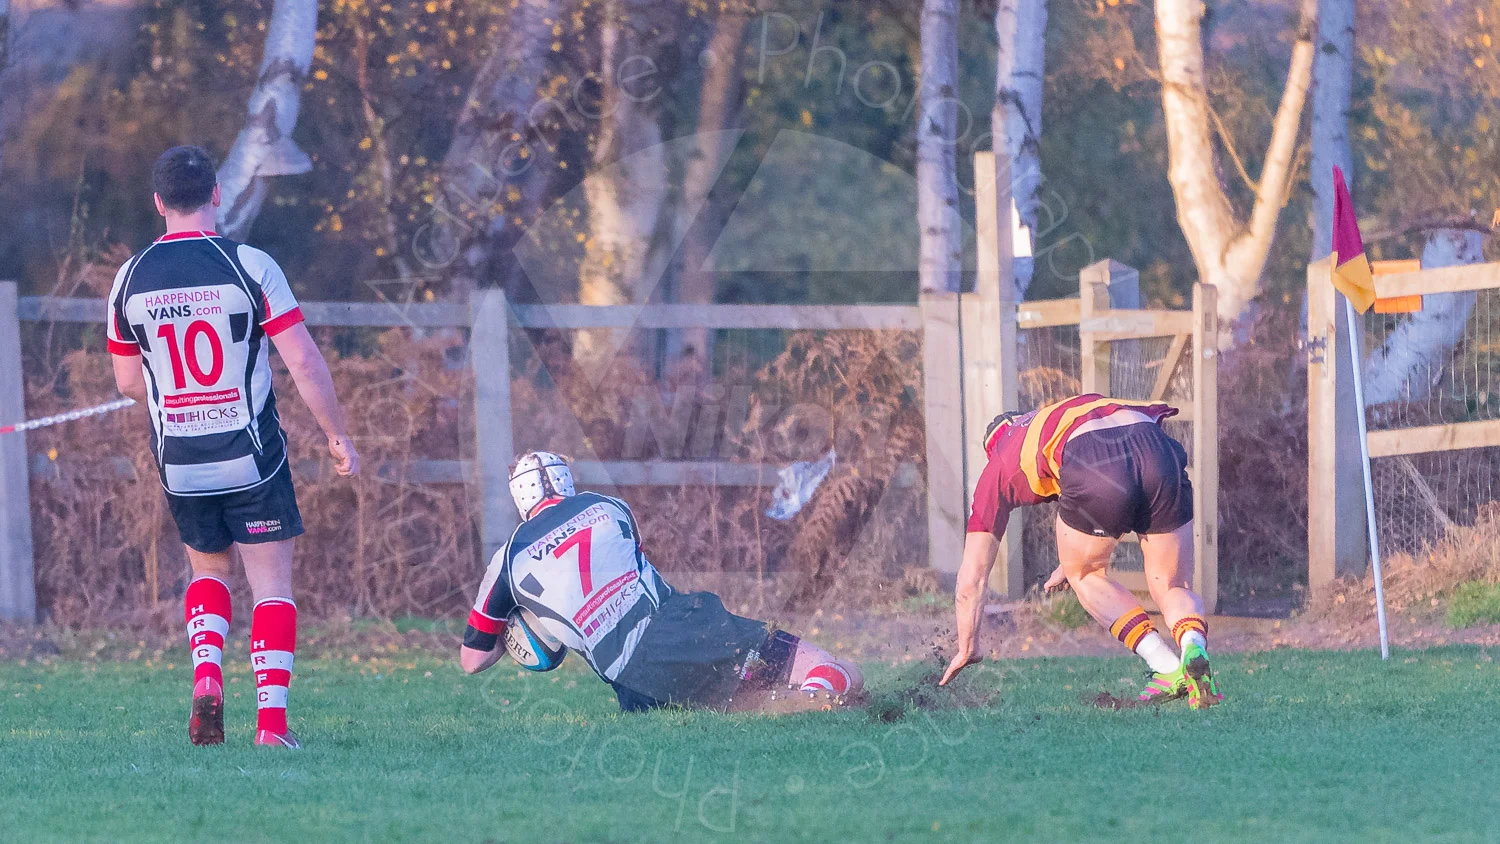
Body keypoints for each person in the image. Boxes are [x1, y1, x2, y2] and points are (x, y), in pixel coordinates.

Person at [108, 145, 360, 748]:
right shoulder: (251, 265)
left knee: (208, 569)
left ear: (158, 203)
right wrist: (336, 434)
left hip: (180, 463)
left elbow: (126, 382)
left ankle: (207, 676)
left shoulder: (130, 277)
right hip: (251, 456)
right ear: (217, 195)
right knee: (270, 585)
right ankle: (271, 727)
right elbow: (302, 361)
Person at [459, 452, 863, 712]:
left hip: (632, 687)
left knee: (738, 702)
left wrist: (518, 627)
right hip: (681, 629)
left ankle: (782, 704)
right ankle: (817, 697)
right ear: (567, 481)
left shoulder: (507, 559)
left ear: (520, 500)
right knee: (839, 668)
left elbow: (471, 660)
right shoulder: (609, 506)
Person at [937, 393, 1223, 708]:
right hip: (1155, 446)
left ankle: (1167, 667)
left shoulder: (1000, 463)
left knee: (1087, 576)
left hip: (1091, 458)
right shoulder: (1059, 415)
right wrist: (1072, 556)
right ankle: (1193, 644)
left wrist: (967, 647)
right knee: (1172, 585)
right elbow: (1127, 462)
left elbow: (973, 577)